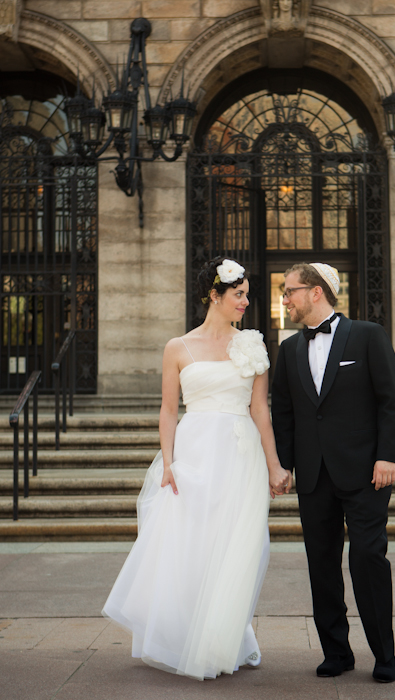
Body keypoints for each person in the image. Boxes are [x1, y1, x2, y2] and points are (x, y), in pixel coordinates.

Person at [102, 256, 289, 681]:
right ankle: (185, 635)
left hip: (242, 457)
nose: (245, 302)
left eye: (246, 295)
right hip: (194, 454)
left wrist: (275, 465)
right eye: (237, 294)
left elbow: (261, 410)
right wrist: (168, 462)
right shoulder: (177, 347)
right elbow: (169, 410)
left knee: (241, 548)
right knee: (191, 545)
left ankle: (225, 638)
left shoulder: (253, 344)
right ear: (214, 295)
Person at [271, 262, 395, 684]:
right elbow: (286, 414)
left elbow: (392, 399)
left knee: (368, 558)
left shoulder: (368, 336)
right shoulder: (289, 350)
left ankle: (384, 654)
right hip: (313, 476)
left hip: (366, 472)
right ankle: (337, 652)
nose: (285, 299)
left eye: (289, 291)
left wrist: (388, 456)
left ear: (315, 292)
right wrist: (283, 464)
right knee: (322, 565)